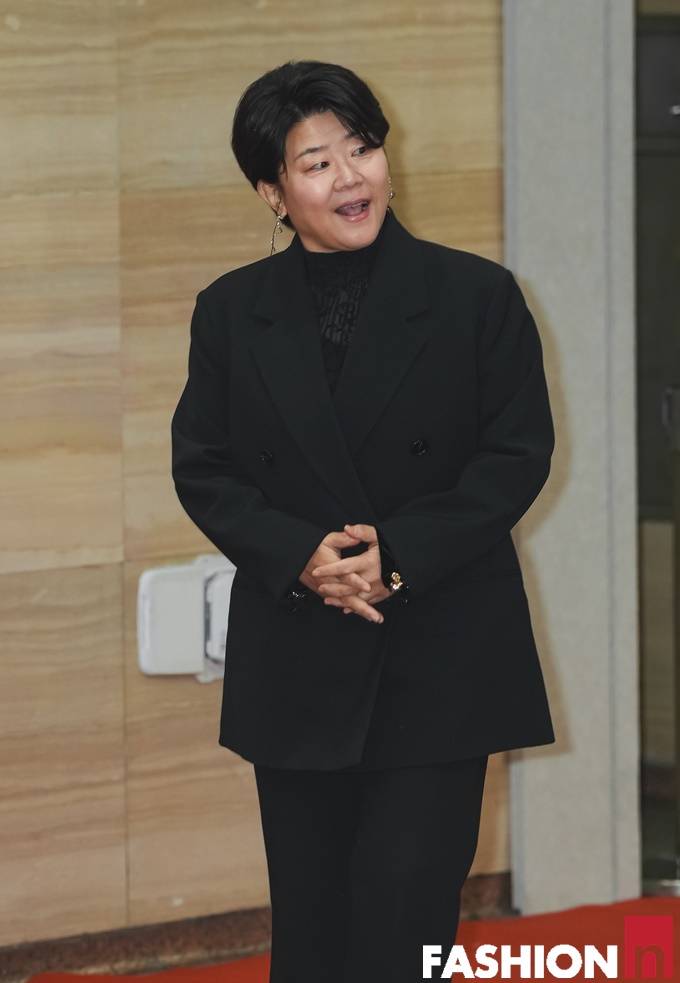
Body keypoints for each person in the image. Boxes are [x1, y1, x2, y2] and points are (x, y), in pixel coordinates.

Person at [171, 59, 555, 983]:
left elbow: (515, 455)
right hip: (299, 652)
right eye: (317, 163)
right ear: (272, 192)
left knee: (405, 920)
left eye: (364, 148)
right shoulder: (231, 312)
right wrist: (299, 555)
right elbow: (204, 465)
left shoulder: (477, 296)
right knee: (311, 928)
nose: (352, 177)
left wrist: (400, 555)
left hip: (440, 650)